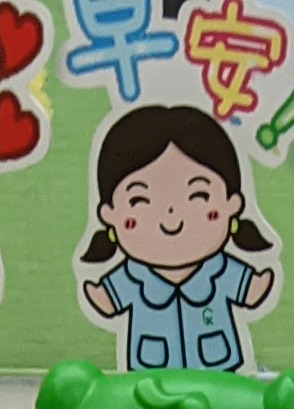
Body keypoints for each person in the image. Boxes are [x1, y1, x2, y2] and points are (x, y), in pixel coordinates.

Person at [78, 106, 277, 378]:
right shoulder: (131, 277)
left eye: (199, 196)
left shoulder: (221, 270)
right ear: (109, 214)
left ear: (232, 203)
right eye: (139, 200)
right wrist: (102, 295)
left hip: (219, 374)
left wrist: (255, 286)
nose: (171, 216)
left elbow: (249, 289)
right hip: (149, 376)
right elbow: (109, 299)